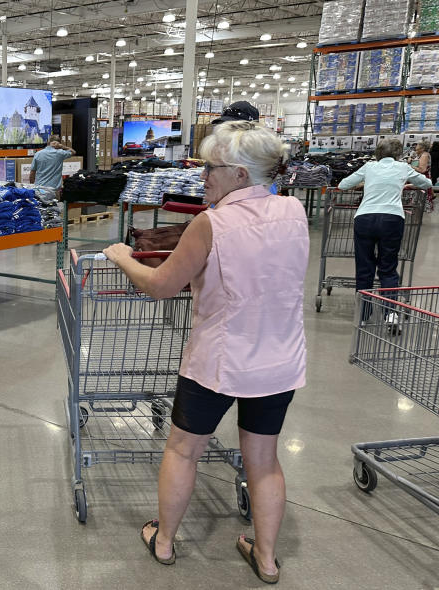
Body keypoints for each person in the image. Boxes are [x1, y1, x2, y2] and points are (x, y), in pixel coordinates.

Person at [102, 121, 308, 584]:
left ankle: (165, 540)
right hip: (278, 360)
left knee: (183, 450)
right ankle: (267, 558)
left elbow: (159, 286)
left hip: (218, 361)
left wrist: (123, 257)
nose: (202, 177)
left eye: (211, 168)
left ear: (240, 174)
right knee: (263, 459)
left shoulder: (210, 223)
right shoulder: (294, 211)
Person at [338, 138, 432, 325]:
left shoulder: (369, 167)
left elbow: (343, 185)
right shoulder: (403, 167)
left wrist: (367, 184)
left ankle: (363, 315)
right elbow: (426, 183)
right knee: (388, 268)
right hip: (392, 219)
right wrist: (405, 184)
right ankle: (390, 314)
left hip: (365, 218)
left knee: (364, 268)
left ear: (378, 153)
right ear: (398, 153)